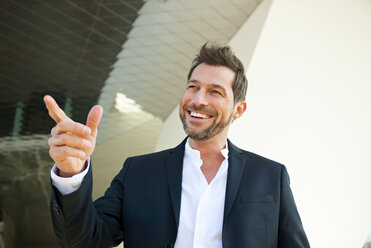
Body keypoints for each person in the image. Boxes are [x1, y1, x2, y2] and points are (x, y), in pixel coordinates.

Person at [45, 43, 310, 248]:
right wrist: (71, 173)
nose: (198, 100)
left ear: (238, 109)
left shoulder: (270, 176)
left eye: (215, 92)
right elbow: (84, 241)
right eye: (193, 87)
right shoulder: (138, 172)